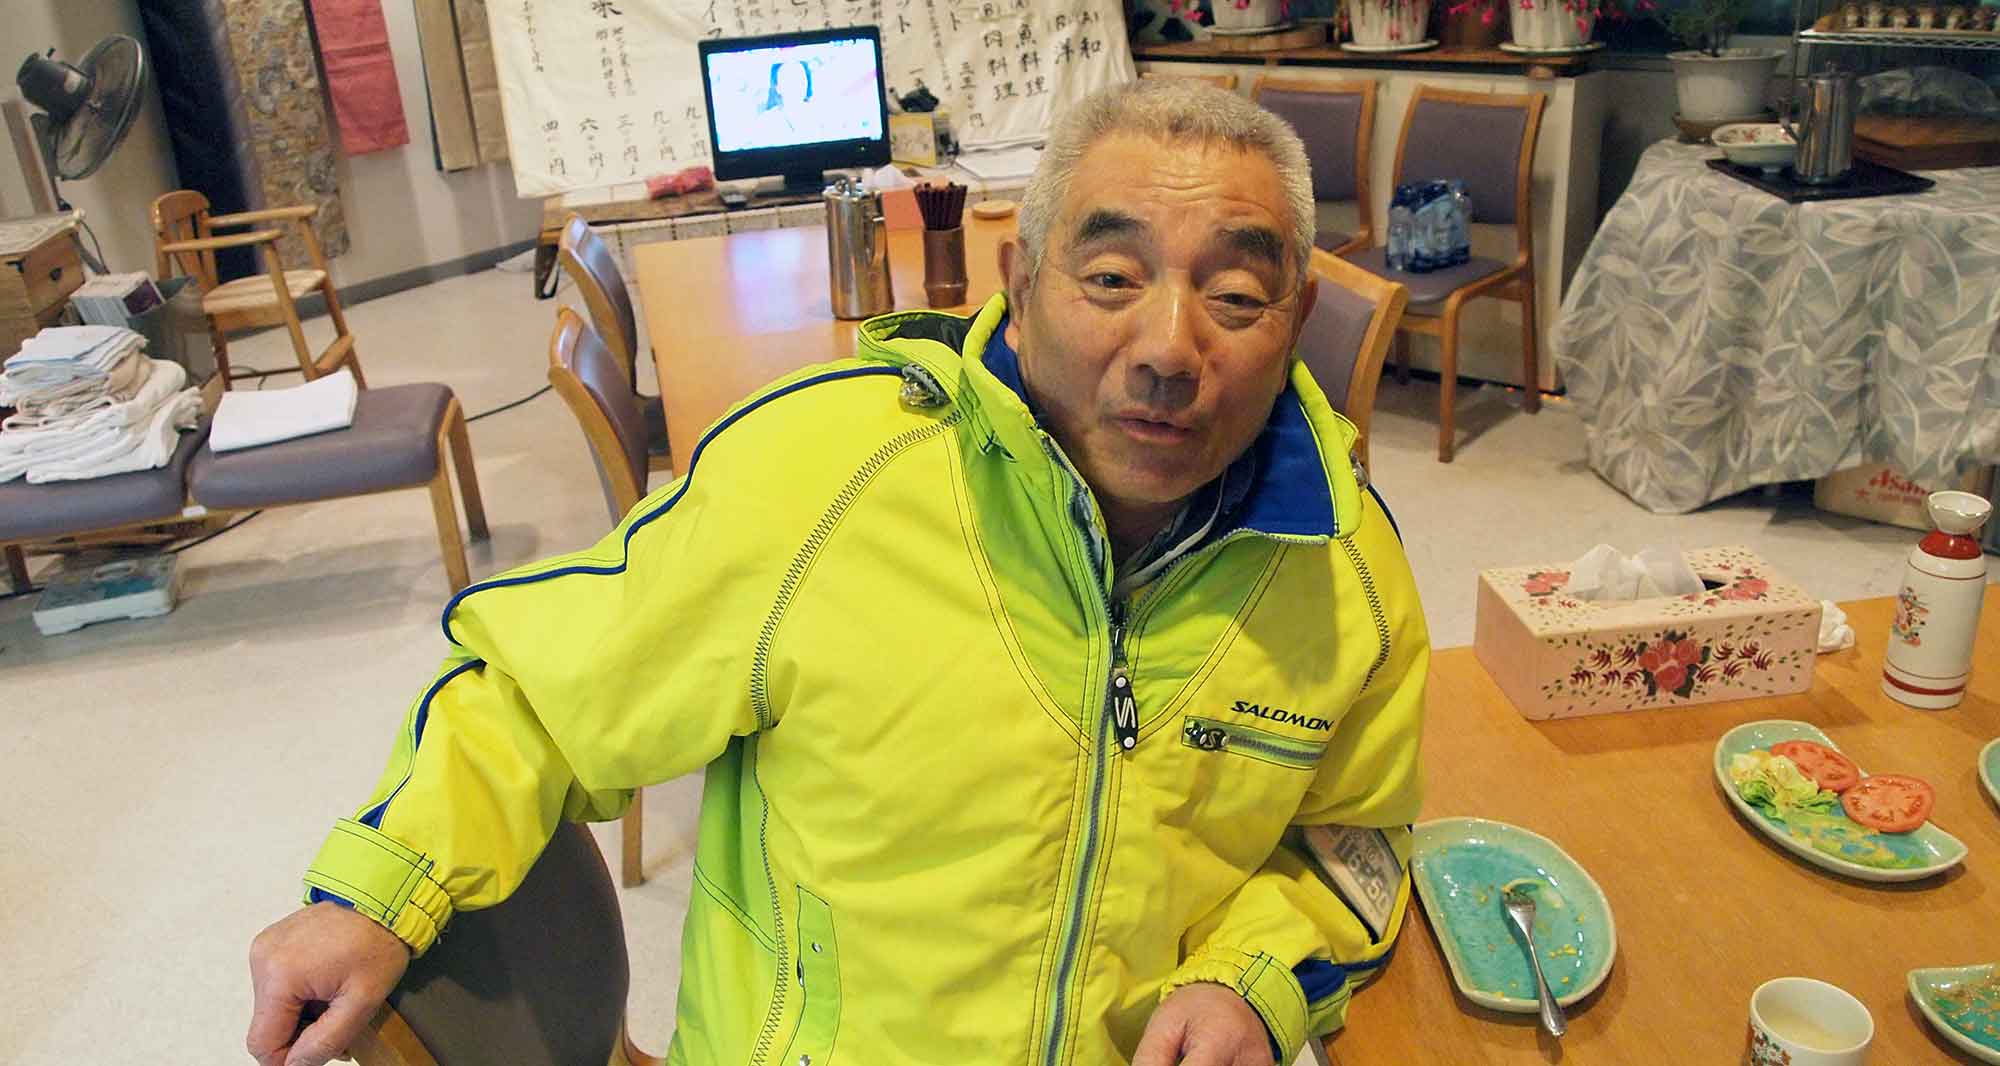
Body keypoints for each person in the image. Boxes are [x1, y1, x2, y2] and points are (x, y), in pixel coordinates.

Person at [246, 79, 1428, 1066]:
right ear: (1019, 285)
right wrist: (378, 892)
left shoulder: (1344, 569)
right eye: (1111, 278)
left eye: (1234, 296)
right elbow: (535, 697)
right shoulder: (819, 477)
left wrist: (1250, 976)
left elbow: (1352, 843)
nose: (1169, 348)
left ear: (1294, 318)